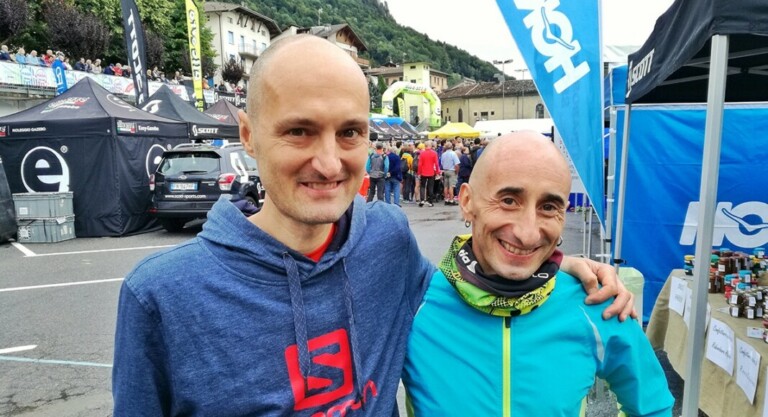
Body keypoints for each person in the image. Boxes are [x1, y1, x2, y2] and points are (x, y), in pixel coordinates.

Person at [113, 36, 635, 416]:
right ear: (248, 135)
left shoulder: (386, 238)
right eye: (299, 131)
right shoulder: (162, 296)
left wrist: (556, 262)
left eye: (349, 133)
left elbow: (468, 287)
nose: (328, 163)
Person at [403, 132, 673, 416]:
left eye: (548, 207)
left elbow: (653, 407)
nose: (528, 234)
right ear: (467, 201)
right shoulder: (414, 305)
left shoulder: (595, 301)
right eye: (509, 200)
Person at [416, 140, 439, 207]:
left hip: (423, 172)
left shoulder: (422, 153)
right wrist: (437, 172)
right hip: (431, 172)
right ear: (430, 146)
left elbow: (420, 164)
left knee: (422, 186)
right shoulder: (434, 153)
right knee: (430, 186)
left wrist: (419, 172)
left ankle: (422, 200)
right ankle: (430, 202)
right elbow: (436, 164)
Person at [439, 141, 460, 205]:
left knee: (446, 186)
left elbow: (442, 163)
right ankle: (451, 200)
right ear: (452, 147)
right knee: (451, 186)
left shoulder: (443, 154)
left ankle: (446, 199)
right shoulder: (453, 154)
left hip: (445, 171)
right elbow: (456, 164)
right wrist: (457, 172)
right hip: (452, 171)